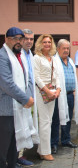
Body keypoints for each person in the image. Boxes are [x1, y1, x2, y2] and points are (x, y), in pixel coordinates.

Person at [0, 27, 34, 168]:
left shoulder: (19, 56)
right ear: (6, 39)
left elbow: (28, 79)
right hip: (6, 109)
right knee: (3, 145)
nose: (19, 42)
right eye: (15, 39)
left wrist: (29, 96)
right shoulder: (2, 56)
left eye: (21, 38)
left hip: (18, 108)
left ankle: (13, 164)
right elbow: (6, 83)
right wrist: (25, 99)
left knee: (16, 141)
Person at [51, 39, 78, 154]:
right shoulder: (54, 61)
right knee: (55, 120)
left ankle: (65, 140)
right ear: (58, 49)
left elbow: (75, 77)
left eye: (68, 48)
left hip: (70, 95)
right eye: (64, 48)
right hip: (58, 95)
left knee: (68, 118)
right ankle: (53, 143)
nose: (66, 50)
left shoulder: (70, 61)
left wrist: (77, 92)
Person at [34, 34, 61, 161]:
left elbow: (57, 75)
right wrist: (46, 91)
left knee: (48, 121)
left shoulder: (53, 58)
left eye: (49, 42)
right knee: (44, 122)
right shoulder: (36, 58)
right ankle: (45, 152)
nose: (47, 44)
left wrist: (58, 89)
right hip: (41, 92)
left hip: (53, 91)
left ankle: (41, 149)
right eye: (44, 42)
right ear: (40, 44)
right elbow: (36, 77)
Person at [17, 29, 40, 167]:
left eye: (31, 39)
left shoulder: (30, 55)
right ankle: (16, 156)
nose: (29, 41)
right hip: (19, 98)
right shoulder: (17, 55)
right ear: (20, 39)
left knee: (26, 125)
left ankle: (22, 154)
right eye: (26, 38)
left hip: (30, 97)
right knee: (18, 127)